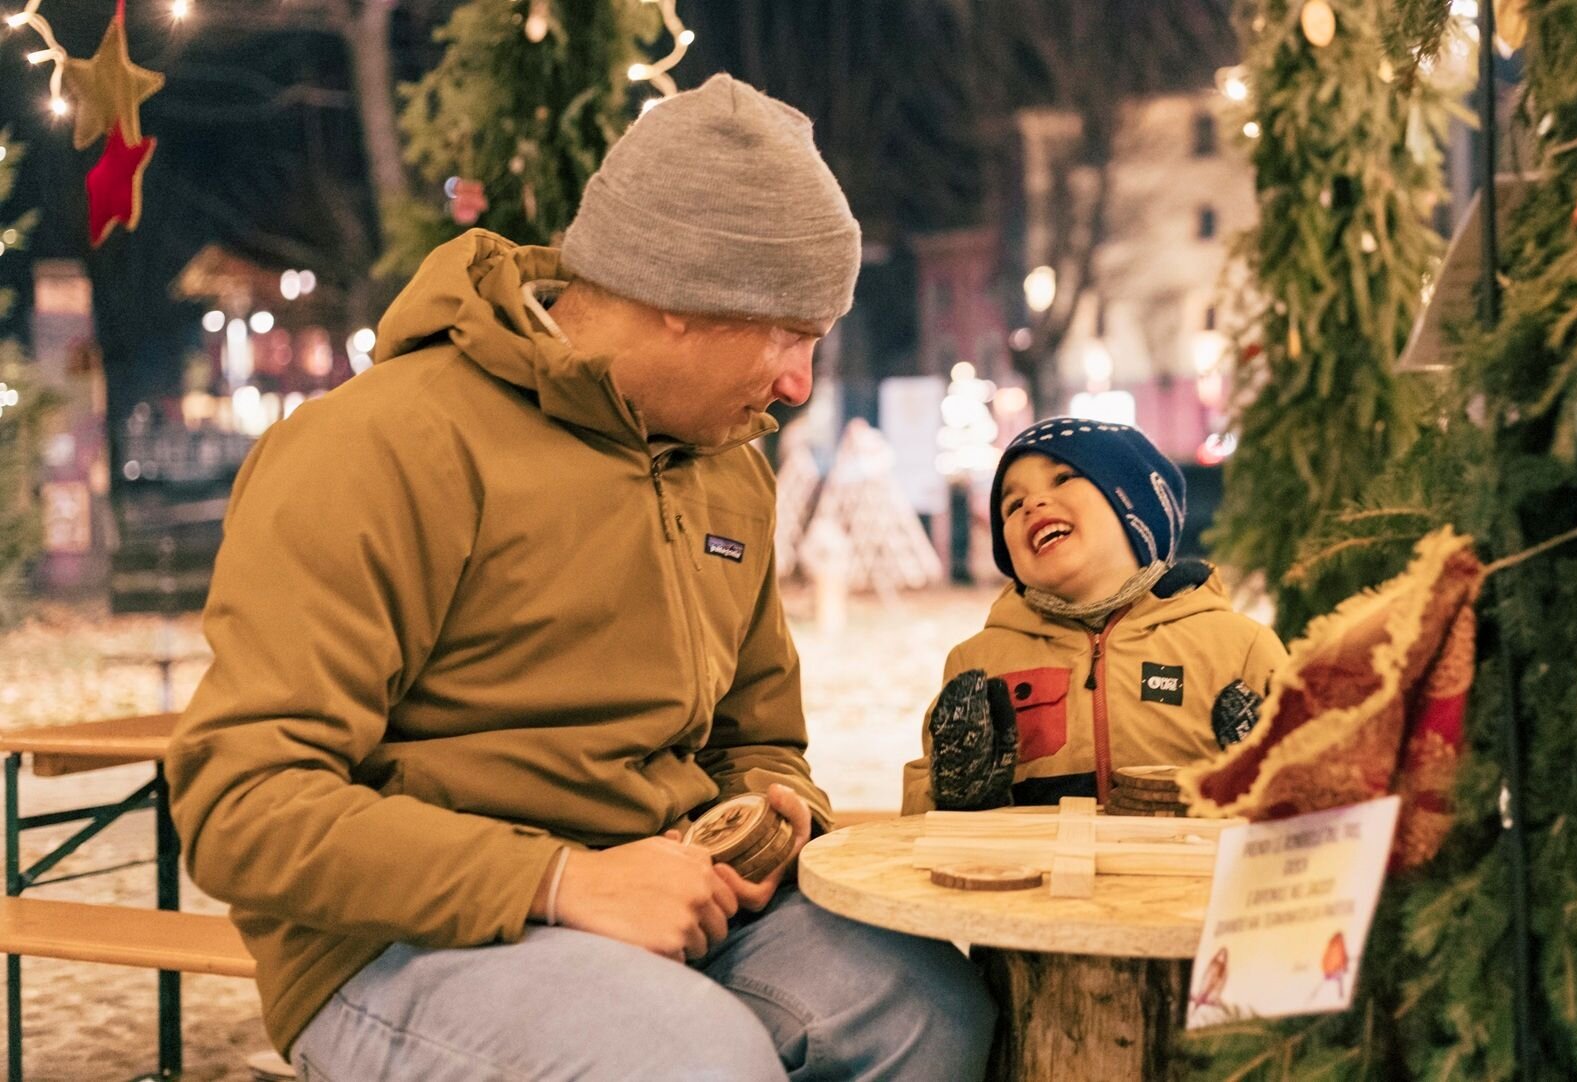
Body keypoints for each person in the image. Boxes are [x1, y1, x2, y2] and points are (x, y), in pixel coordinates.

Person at [166, 74, 993, 1081]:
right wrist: (560, 879)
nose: (798, 383)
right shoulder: (380, 446)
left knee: (930, 1010)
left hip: (678, 899)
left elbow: (759, 736)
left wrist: (772, 807)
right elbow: (240, 806)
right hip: (391, 942)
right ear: (679, 301)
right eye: (789, 333)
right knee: (697, 1063)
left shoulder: (726, 466)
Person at [902, 418, 1288, 813]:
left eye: (1063, 478)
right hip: (1033, 872)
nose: (1032, 504)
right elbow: (915, 823)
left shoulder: (1237, 649)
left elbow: (1312, 806)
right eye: (1013, 505)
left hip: (1186, 873)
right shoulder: (980, 663)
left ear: (1134, 504)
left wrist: (1266, 777)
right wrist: (951, 796)